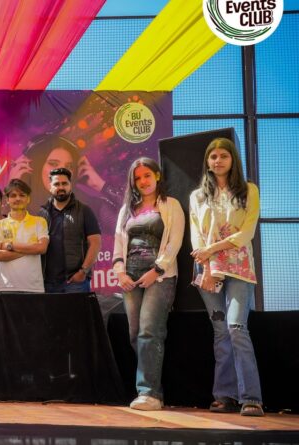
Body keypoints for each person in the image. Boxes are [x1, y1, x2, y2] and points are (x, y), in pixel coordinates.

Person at [189, 137, 264, 417]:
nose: (218, 160)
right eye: (213, 156)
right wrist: (208, 267)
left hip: (239, 268)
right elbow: (197, 236)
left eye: (223, 156)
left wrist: (213, 249)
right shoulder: (197, 196)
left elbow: (247, 233)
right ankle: (224, 395)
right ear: (207, 162)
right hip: (208, 269)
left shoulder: (248, 190)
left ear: (233, 160)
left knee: (236, 327)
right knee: (221, 331)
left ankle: (251, 398)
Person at [112, 157, 184, 411]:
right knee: (135, 334)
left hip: (159, 277)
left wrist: (157, 270)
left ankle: (149, 393)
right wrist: (120, 273)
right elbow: (118, 245)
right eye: (137, 178)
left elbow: (175, 242)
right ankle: (152, 390)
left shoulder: (171, 205)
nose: (143, 181)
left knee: (149, 332)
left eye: (147, 175)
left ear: (157, 176)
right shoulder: (126, 210)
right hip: (130, 278)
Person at [38, 168, 101, 293]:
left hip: (75, 281)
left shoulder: (84, 210)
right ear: (50, 187)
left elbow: (95, 243)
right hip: (48, 283)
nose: (61, 187)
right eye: (56, 184)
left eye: (64, 183)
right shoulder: (42, 213)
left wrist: (83, 271)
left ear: (70, 185)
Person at [0, 179, 49, 293]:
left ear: (28, 199)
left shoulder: (39, 222)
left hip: (33, 287)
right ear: (7, 200)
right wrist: (31, 250)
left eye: (22, 195)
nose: (18, 198)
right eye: (13, 195)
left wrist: (9, 246)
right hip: (6, 287)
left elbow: (42, 248)